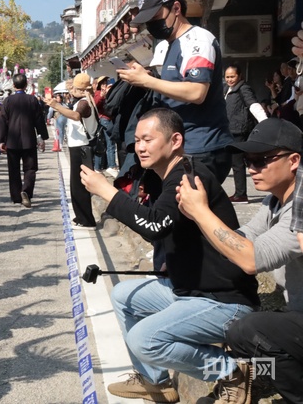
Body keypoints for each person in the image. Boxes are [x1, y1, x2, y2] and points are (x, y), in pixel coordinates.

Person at [79, 108, 258, 403]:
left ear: (175, 140)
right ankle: (156, 382)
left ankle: (229, 371)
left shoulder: (189, 177)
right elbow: (163, 224)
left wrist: (107, 193)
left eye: (147, 139)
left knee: (144, 339)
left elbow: (154, 225)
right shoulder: (174, 174)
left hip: (224, 302)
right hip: (190, 290)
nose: (139, 147)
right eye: (137, 140)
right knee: (124, 295)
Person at [178, 118, 303, 403]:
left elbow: (250, 258)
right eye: (248, 160)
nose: (251, 169)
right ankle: (256, 380)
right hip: (295, 314)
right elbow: (239, 239)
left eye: (261, 160)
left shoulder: (300, 204)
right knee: (247, 338)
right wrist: (198, 216)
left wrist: (201, 213)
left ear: (294, 160)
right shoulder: (273, 200)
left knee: (247, 330)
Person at [120, 0, 233, 183]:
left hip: (201, 146)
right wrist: (146, 77)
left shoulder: (198, 40)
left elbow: (196, 92)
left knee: (193, 210)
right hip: (180, 145)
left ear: (176, 8)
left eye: (156, 18)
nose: (153, 25)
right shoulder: (168, 45)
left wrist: (147, 81)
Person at [47, 73, 98, 227]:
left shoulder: (84, 103)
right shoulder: (82, 101)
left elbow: (76, 116)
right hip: (77, 145)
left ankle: (87, 219)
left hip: (81, 146)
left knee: (80, 185)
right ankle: (81, 216)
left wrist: (56, 106)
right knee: (76, 184)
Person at [0, 72, 49, 207]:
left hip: (12, 141)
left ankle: (16, 196)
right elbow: (39, 120)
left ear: (13, 85)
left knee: (13, 169)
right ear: (26, 85)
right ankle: (26, 191)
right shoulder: (32, 100)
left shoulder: (7, 101)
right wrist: (42, 136)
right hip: (29, 140)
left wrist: (1, 140)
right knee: (30, 169)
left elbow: (3, 121)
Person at [223, 65, 267, 203]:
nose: (229, 79)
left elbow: (253, 105)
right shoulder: (227, 89)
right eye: (227, 77)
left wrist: (265, 123)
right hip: (231, 130)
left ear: (240, 76)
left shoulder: (243, 88)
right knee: (238, 163)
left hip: (240, 130)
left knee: (238, 163)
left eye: (232, 76)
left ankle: (241, 194)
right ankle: (240, 193)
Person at [93, 76, 118, 176]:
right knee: (109, 143)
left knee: (103, 143)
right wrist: (103, 95)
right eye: (102, 83)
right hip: (104, 119)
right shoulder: (98, 93)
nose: (105, 85)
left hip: (107, 119)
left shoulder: (108, 92)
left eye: (106, 83)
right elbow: (95, 104)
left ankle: (99, 167)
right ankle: (111, 165)